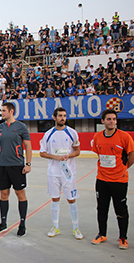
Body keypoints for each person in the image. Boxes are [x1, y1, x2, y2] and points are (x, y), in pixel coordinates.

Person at [91, 109, 134, 250]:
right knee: (102, 208)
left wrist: (123, 168)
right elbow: (99, 154)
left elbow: (131, 155)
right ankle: (102, 234)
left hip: (119, 181)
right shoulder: (97, 137)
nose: (112, 122)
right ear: (103, 121)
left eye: (114, 119)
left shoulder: (124, 137)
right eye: (109, 119)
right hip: (102, 180)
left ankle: (123, 238)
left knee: (121, 210)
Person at [39, 107, 83, 240]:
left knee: (71, 199)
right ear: (54, 118)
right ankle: (55, 227)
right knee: (55, 198)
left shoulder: (72, 133)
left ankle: (76, 228)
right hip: (53, 173)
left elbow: (77, 151)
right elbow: (42, 152)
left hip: (68, 173)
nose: (62, 118)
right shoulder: (48, 134)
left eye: (64, 116)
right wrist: (55, 157)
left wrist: (68, 156)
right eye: (60, 116)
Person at [0, 102, 32, 237]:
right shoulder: (0, 127)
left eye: (4, 111)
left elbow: (28, 146)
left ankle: (22, 224)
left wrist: (28, 164)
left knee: (20, 194)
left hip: (17, 166)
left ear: (11, 111)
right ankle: (3, 223)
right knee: (3, 195)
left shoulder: (21, 127)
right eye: (1, 110)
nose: (2, 113)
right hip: (3, 165)